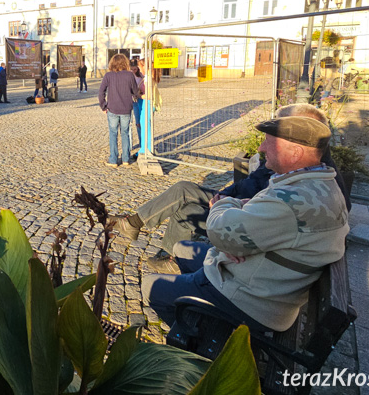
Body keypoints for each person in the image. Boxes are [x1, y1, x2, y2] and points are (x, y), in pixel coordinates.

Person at [141, 115, 349, 333]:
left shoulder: (292, 201)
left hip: (250, 300)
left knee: (150, 286)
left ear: (295, 152)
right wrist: (234, 242)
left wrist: (223, 206)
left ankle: (196, 339)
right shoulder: (318, 185)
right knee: (181, 248)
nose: (261, 147)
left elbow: (220, 231)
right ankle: (196, 299)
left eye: (269, 142)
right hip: (262, 277)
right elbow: (240, 232)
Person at [111, 103, 351, 274]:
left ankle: (144, 234)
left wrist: (227, 203)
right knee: (184, 191)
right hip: (235, 203)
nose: (263, 146)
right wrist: (225, 196)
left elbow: (268, 214)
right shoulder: (301, 163)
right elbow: (251, 184)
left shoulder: (310, 172)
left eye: (277, 134)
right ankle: (145, 233)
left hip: (239, 213)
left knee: (185, 202)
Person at [99, 54, 140, 167]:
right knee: (125, 133)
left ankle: (113, 160)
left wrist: (103, 106)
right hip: (126, 108)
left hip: (112, 108)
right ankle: (126, 159)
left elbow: (101, 92)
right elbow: (135, 91)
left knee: (113, 134)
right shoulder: (129, 75)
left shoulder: (108, 75)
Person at [130, 60, 145, 148]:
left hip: (137, 100)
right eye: (132, 69)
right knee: (128, 123)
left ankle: (141, 142)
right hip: (129, 99)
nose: (133, 71)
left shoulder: (141, 76)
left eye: (135, 69)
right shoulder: (127, 76)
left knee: (138, 122)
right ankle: (129, 144)